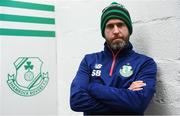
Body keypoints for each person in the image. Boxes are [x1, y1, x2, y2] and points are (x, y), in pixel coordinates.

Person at [70, 2, 157, 115]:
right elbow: (76, 101)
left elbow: (138, 103)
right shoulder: (89, 60)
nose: (116, 31)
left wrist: (93, 87)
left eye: (120, 25)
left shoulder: (145, 63)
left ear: (129, 28)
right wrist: (125, 95)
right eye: (110, 26)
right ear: (104, 32)